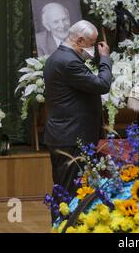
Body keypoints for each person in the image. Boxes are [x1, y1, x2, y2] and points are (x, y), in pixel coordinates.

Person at [43, 20, 112, 220]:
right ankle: (63, 227)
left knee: (67, 191)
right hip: (70, 137)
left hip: (67, 135)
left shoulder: (61, 57)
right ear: (80, 41)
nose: (93, 47)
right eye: (91, 43)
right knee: (67, 193)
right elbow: (101, 84)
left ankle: (64, 226)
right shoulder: (68, 61)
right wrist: (105, 59)